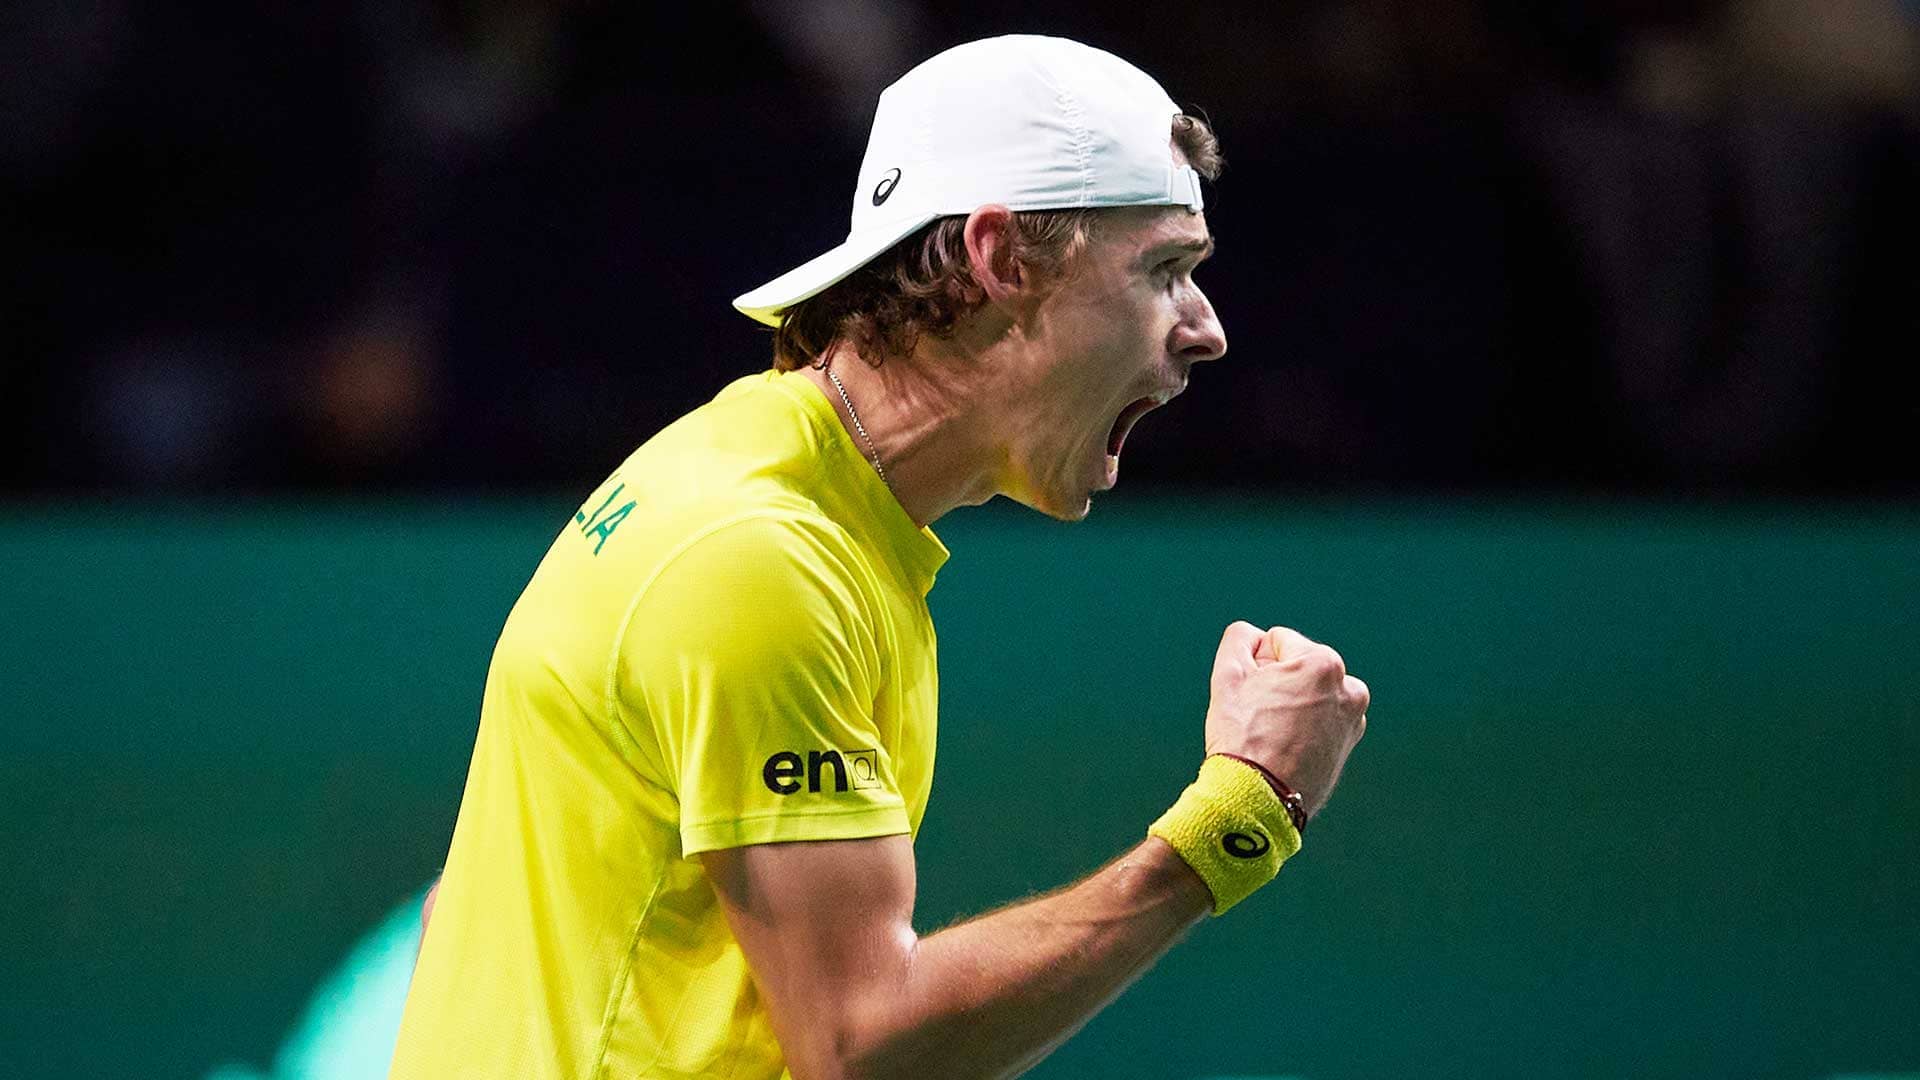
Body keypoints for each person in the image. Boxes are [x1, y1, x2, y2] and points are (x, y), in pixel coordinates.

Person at [390, 34, 1369, 1080]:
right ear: (1001, 258)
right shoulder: (758, 559)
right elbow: (860, 1046)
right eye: (1164, 270)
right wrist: (1240, 814)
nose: (1206, 329)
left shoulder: (752, 480)